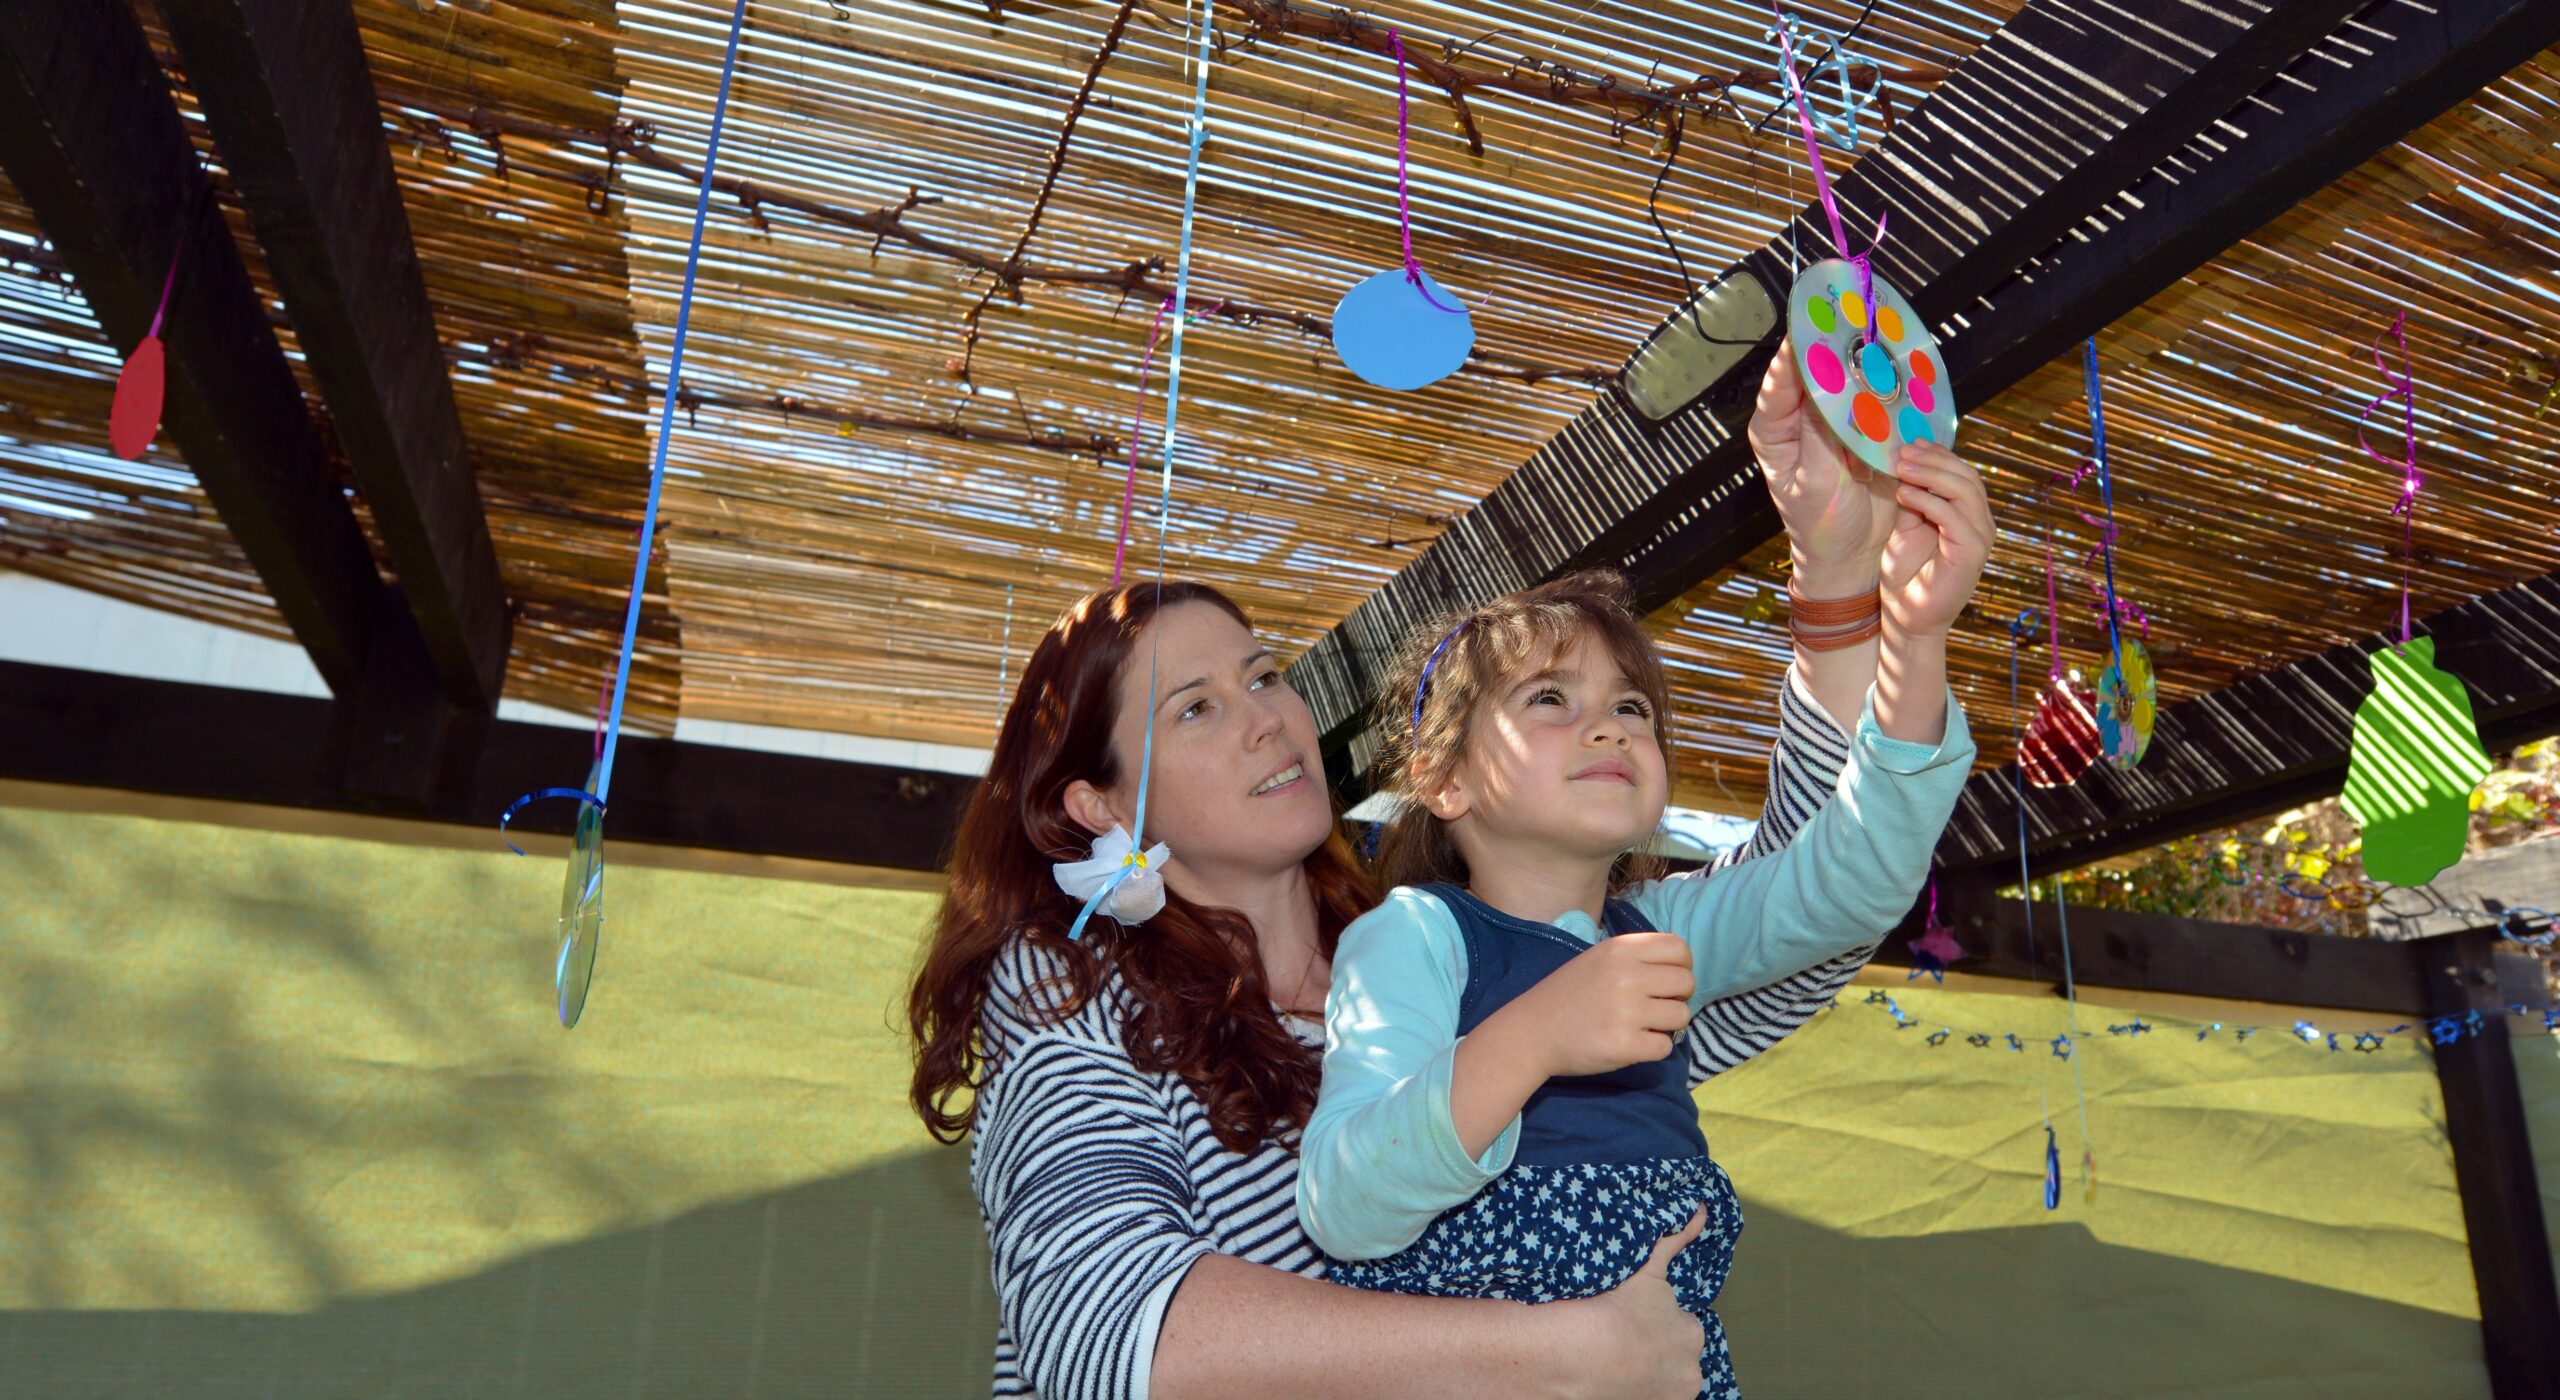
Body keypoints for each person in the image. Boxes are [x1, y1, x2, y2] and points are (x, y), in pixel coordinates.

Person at [906, 343, 1919, 1399]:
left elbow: (1811, 897)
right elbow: (1109, 1336)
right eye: (1196, 708)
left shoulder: (1459, 940)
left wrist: (1837, 580)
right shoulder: (1067, 986)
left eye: (1264, 675)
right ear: (1098, 803)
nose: (1268, 719)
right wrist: (1558, 1353)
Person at [1296, 428, 1990, 1396]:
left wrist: (1912, 645)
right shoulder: (1414, 934)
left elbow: (1850, 882)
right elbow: (1347, 1206)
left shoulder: (1661, 930)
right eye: (1549, 696)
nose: (1610, 722)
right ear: (1441, 779)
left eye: (1633, 708)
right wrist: (1532, 1035)